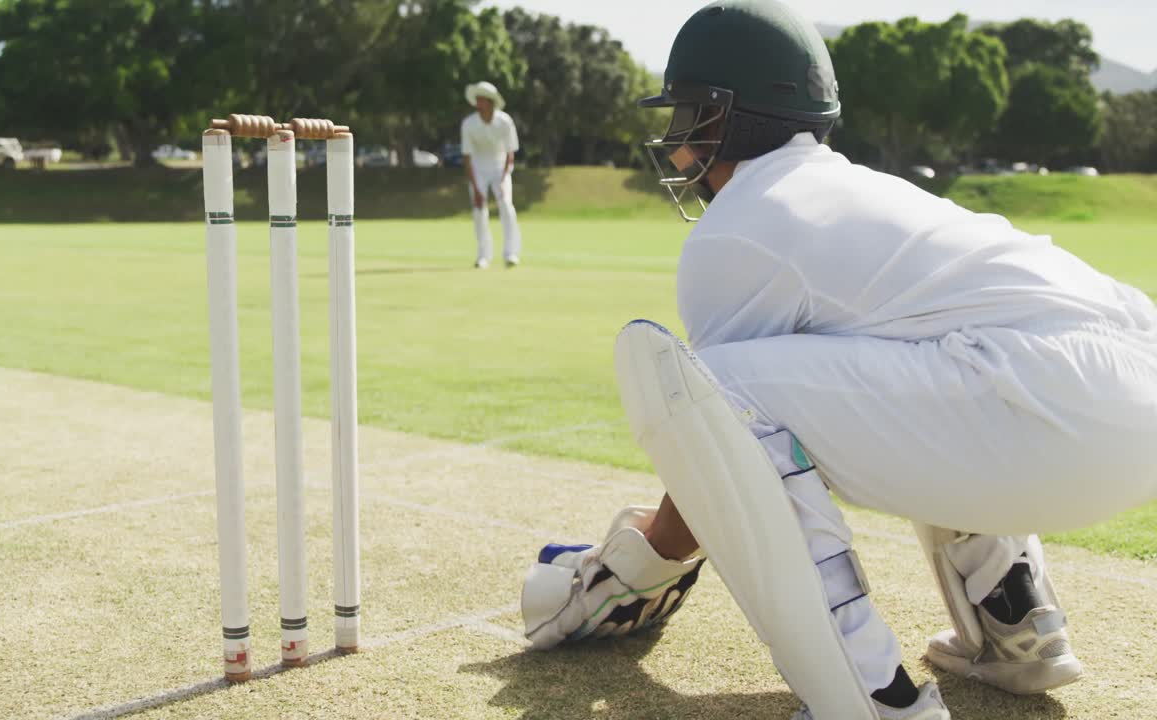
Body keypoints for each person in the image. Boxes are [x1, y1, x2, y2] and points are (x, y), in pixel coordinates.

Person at [518, 1, 1157, 719]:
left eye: (686, 117)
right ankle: (1017, 626)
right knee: (912, 354)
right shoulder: (860, 189)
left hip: (1044, 404)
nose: (675, 148)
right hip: (1128, 395)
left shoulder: (737, 230)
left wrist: (629, 569)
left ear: (725, 118)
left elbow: (723, 438)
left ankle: (873, 699)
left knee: (701, 386)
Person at [462, 81, 522, 269]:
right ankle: (483, 256)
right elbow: (467, 158)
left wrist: (504, 179)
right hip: (478, 167)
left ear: (491, 102)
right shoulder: (469, 124)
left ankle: (510, 253)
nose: (479, 103)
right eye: (477, 99)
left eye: (482, 100)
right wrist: (476, 189)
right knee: (479, 210)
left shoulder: (505, 122)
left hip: (500, 166)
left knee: (506, 205)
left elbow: (510, 153)